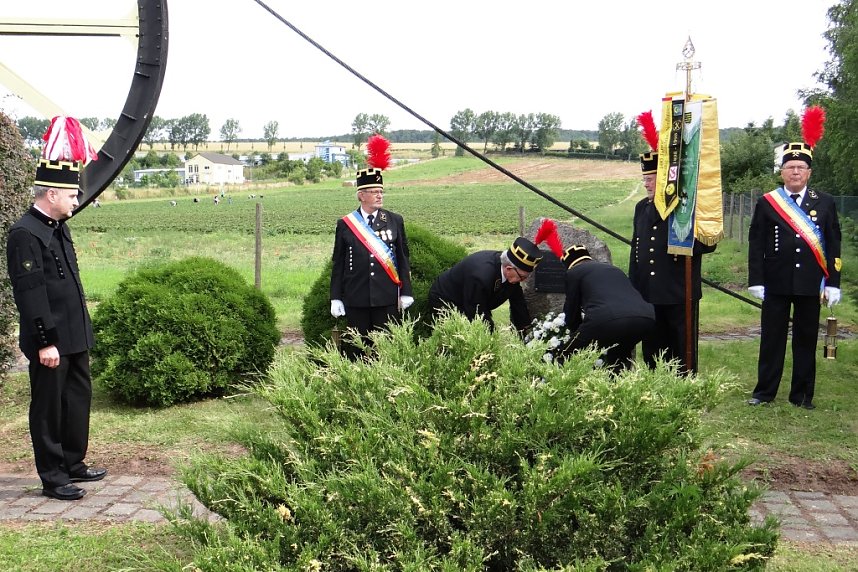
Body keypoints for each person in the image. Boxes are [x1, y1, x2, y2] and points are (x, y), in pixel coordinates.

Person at [5, 116, 107, 501]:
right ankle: (52, 476)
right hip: (50, 340)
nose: (76, 202)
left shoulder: (59, 225)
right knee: (48, 408)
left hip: (74, 334)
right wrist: (45, 341)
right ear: (51, 194)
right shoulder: (25, 233)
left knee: (77, 399)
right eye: (72, 196)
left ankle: (73, 462)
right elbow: (30, 293)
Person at [746, 108, 841, 409]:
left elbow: (834, 243)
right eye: (790, 167)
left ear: (809, 172)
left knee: (805, 339)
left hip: (810, 283)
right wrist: (756, 279)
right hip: (775, 282)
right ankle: (764, 392)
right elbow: (756, 242)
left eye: (801, 167)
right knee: (771, 339)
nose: (795, 172)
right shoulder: (768, 202)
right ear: (782, 172)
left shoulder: (825, 202)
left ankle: (801, 396)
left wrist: (833, 282)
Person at [628, 150, 715, 374]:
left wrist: (686, 241)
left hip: (678, 290)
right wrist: (634, 286)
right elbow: (636, 249)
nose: (646, 184)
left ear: (664, 181)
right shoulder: (641, 207)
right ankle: (655, 382)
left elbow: (709, 243)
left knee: (681, 347)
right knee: (652, 347)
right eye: (645, 179)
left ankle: (684, 385)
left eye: (651, 179)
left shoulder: (683, 208)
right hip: (649, 291)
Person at [330, 135, 413, 358]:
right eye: (374, 192)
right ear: (361, 195)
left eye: (381, 191)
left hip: (386, 298)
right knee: (358, 350)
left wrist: (406, 292)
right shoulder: (346, 224)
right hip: (356, 298)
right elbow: (338, 263)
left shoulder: (394, 220)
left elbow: (403, 258)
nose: (379, 195)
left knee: (385, 350)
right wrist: (335, 297)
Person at [560, 245, 655, 371]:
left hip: (605, 318)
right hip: (646, 318)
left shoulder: (573, 272)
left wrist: (576, 334)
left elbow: (572, 312)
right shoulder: (614, 269)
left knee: (565, 355)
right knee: (618, 360)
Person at [428, 237, 542, 335]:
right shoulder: (481, 276)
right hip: (446, 300)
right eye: (522, 277)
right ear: (509, 268)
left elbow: (517, 301)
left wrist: (526, 329)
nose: (523, 280)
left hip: (472, 299)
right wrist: (492, 337)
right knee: (459, 337)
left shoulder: (511, 272)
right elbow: (476, 312)